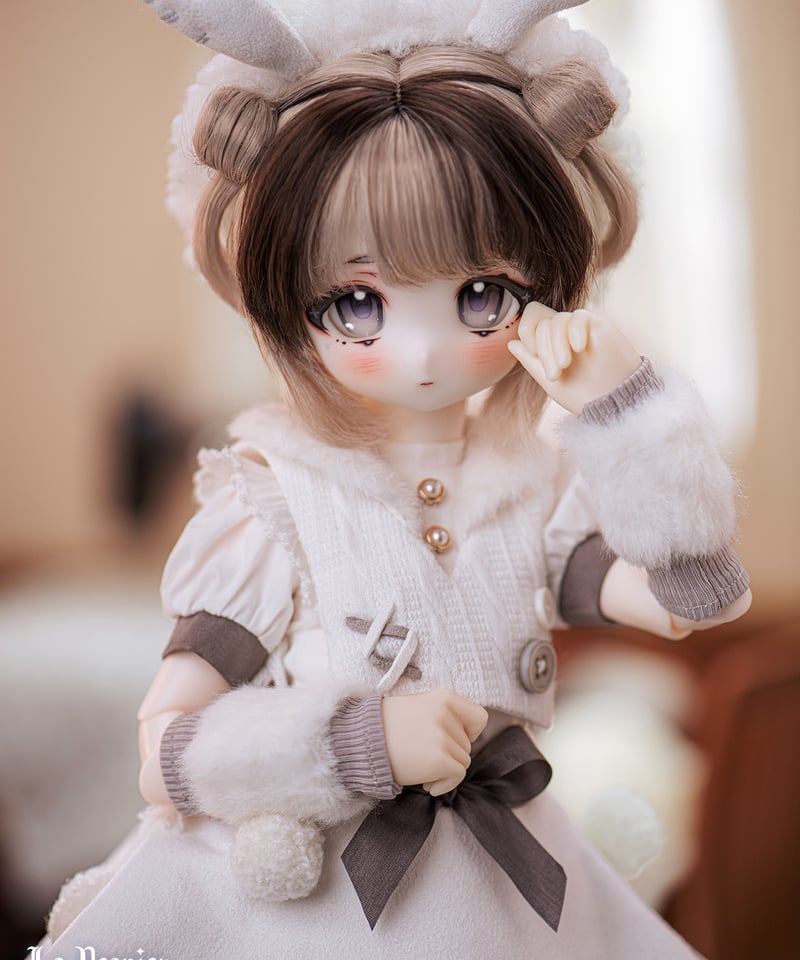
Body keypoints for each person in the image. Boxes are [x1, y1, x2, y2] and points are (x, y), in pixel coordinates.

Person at [41, 2, 751, 956]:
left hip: (508, 891)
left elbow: (698, 597)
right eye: (357, 303)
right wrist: (356, 744)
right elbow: (166, 750)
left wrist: (625, 406)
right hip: (314, 907)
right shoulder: (273, 502)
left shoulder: (531, 487)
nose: (421, 351)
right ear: (290, 303)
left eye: (481, 295)